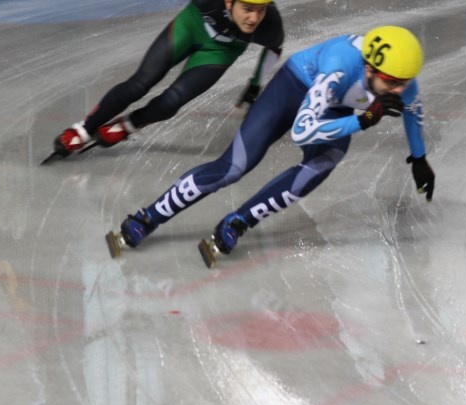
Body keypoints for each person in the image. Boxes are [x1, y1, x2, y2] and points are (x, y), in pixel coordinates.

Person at [105, 25, 436, 268]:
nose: (397, 90)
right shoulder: (339, 66)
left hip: (333, 106)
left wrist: (419, 159)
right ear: (368, 67)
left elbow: (412, 111)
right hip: (294, 88)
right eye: (390, 83)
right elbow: (302, 131)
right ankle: (148, 218)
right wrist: (362, 121)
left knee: (326, 162)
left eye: (403, 84)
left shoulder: (401, 81)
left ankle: (238, 222)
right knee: (234, 167)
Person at [49, 0, 284, 158]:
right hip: (190, 27)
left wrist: (255, 84)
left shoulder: (269, 25)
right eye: (248, 9)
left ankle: (130, 124)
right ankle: (85, 128)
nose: (254, 18)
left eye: (260, 9)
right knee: (139, 84)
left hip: (221, 51)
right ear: (229, 0)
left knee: (172, 102)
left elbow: (274, 48)